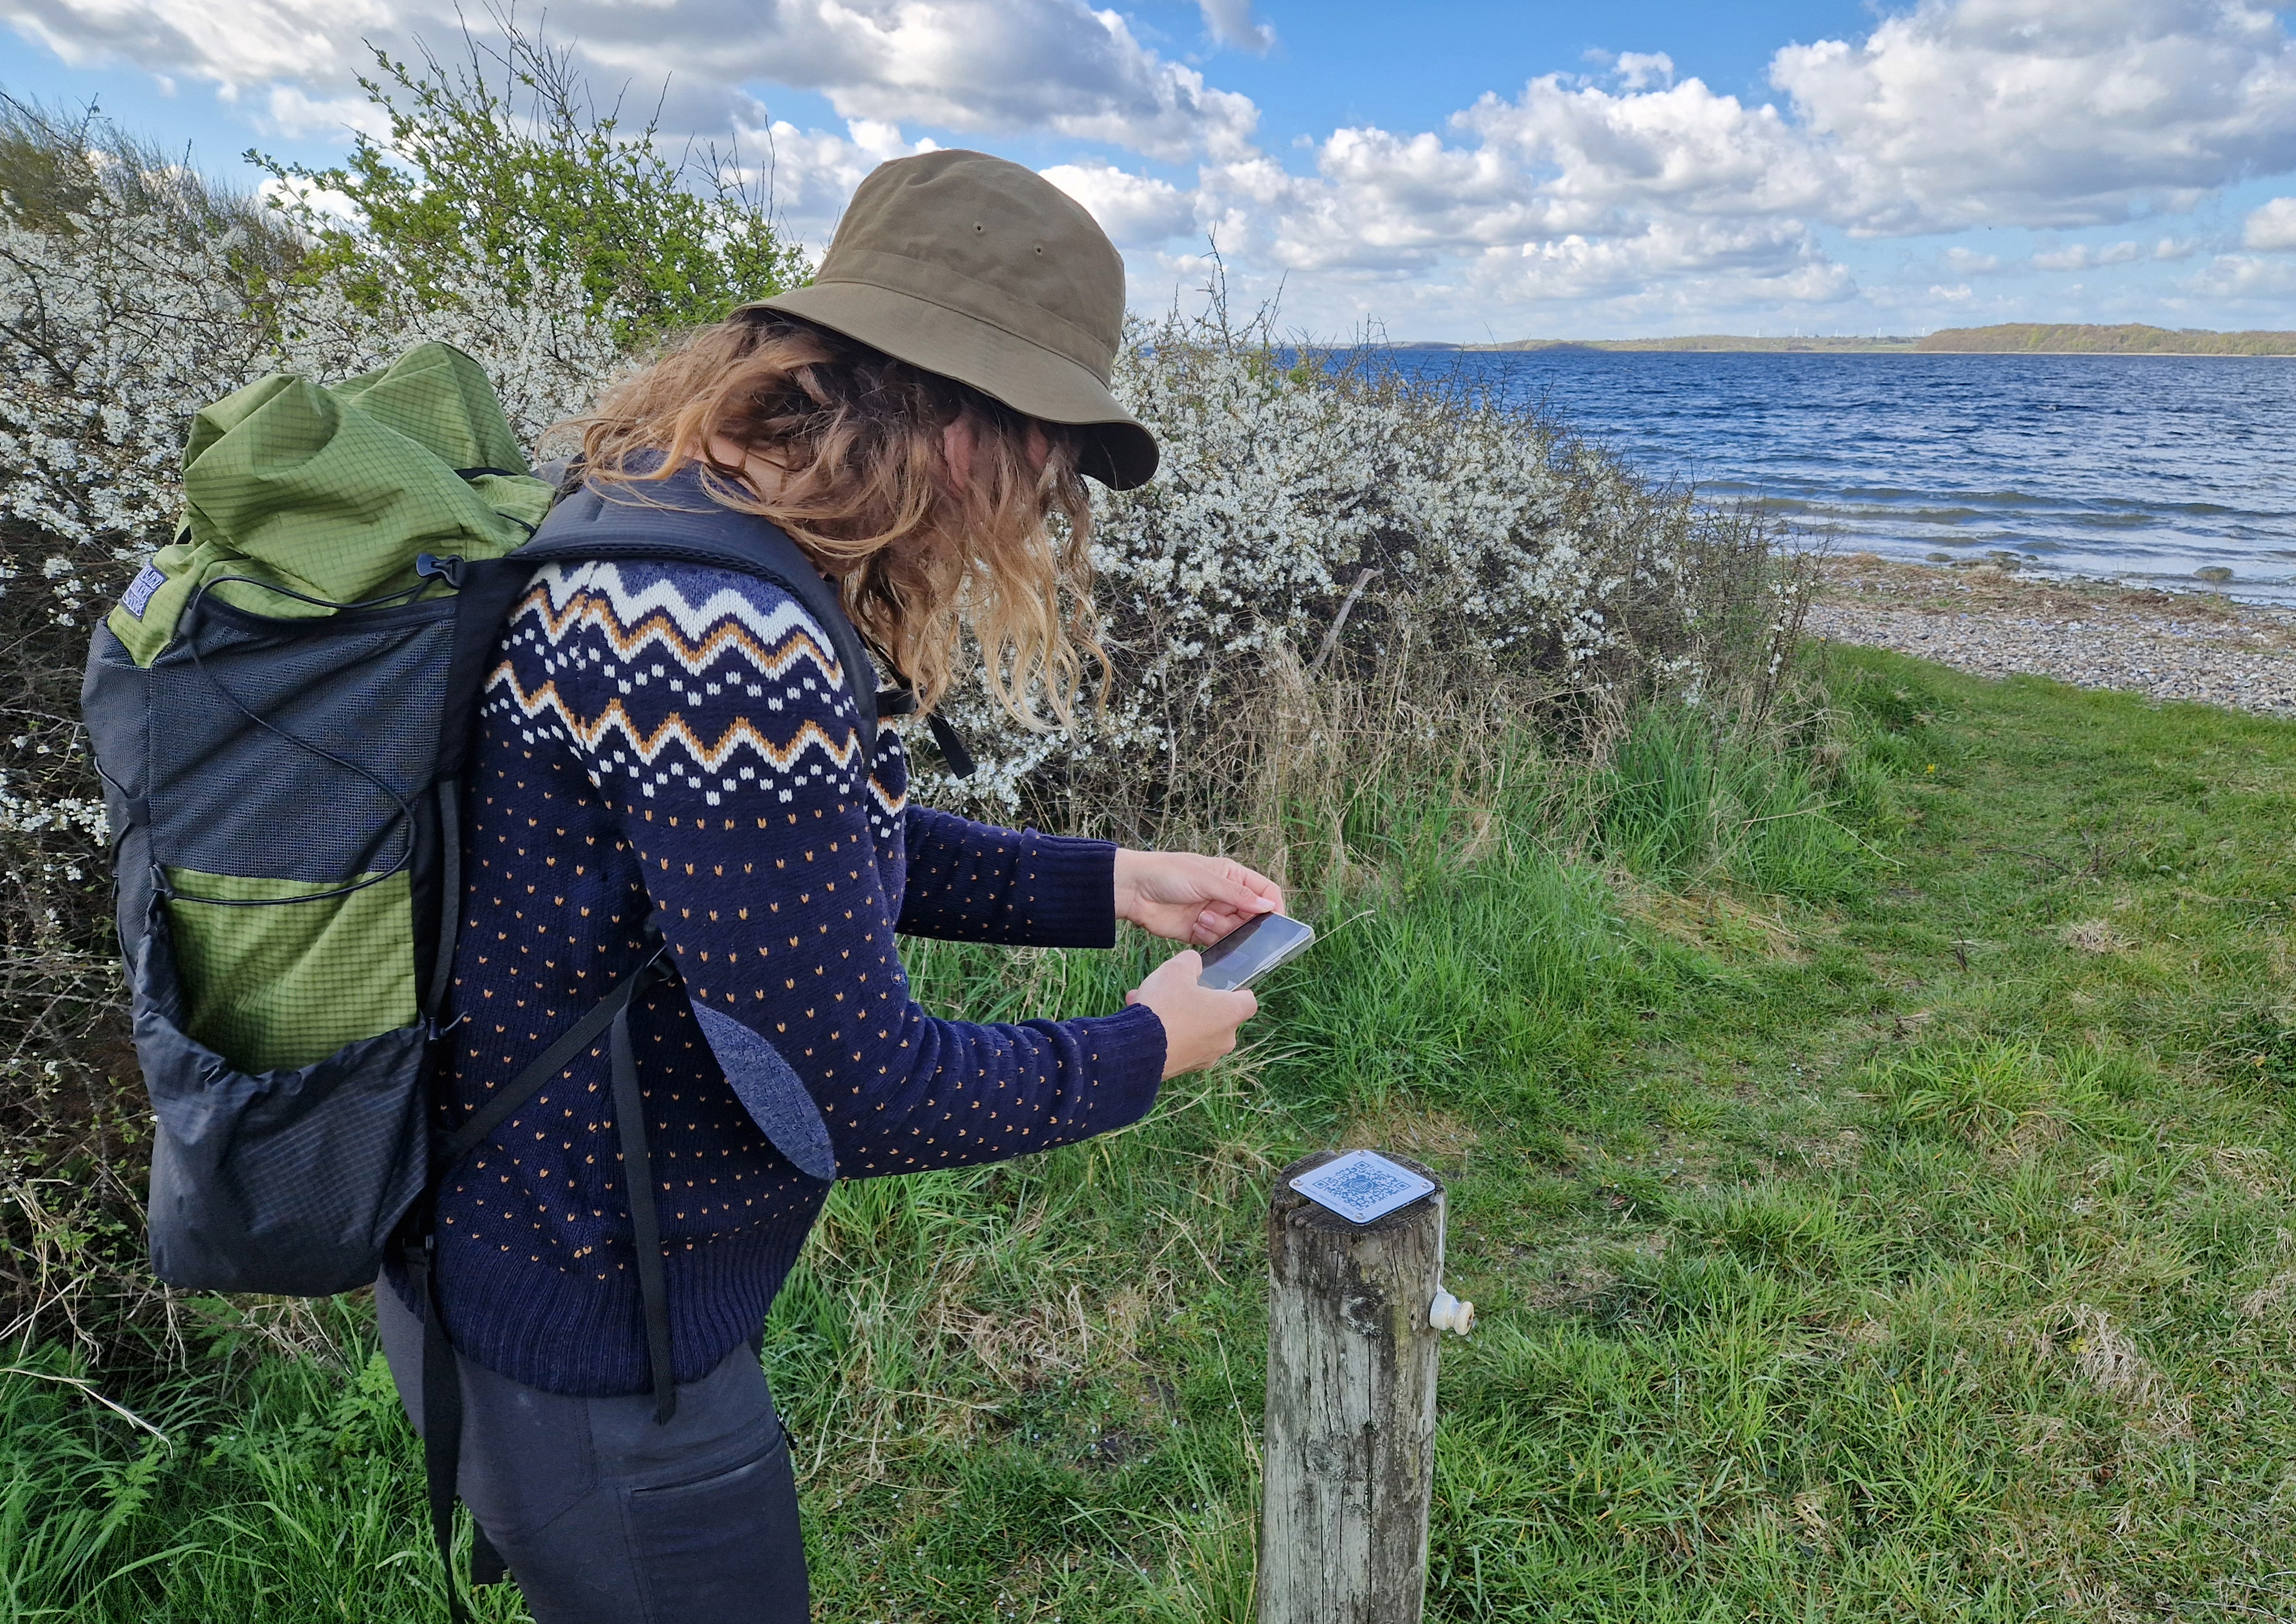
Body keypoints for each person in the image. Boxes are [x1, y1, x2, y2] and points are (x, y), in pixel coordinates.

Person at [375, 148, 1276, 1622]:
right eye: (1050, 449)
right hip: (593, 1332)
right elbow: (849, 1088)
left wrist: (1115, 879)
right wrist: (1140, 1048)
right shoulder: (727, 630)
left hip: (506, 1252)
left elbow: (778, 876)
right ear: (973, 425)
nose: (1046, 498)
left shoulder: (657, 511)